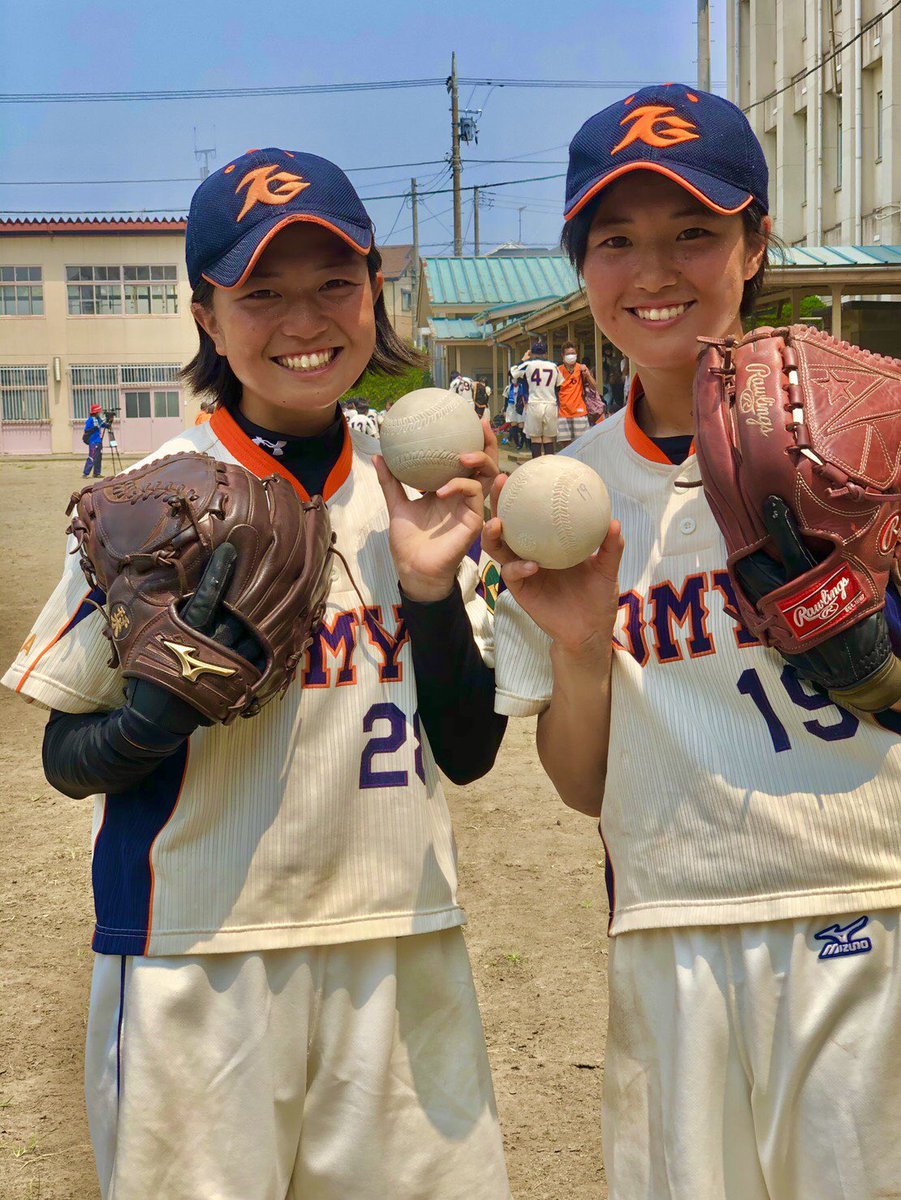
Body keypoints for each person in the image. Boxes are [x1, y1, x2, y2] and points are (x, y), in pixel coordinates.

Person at [3, 147, 511, 1200]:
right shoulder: (150, 505)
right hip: (196, 953)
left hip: (400, 943)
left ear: (376, 289)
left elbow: (466, 751)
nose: (303, 319)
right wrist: (151, 715)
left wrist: (425, 590)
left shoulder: (411, 488)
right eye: (261, 291)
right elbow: (64, 753)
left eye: (333, 282)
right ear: (205, 314)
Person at [486, 85, 901, 1199]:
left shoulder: (875, 435)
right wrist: (580, 649)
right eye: (614, 240)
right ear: (579, 264)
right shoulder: (558, 492)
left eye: (694, 234)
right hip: (670, 926)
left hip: (868, 902)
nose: (653, 273)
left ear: (755, 241)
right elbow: (580, 787)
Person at [510, 340, 562, 457]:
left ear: (532, 353)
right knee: (548, 438)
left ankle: (536, 465)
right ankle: (549, 465)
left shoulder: (528, 365)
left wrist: (523, 359)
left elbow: (512, 372)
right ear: (546, 354)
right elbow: (559, 386)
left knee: (535, 438)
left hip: (534, 403)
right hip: (550, 403)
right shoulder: (554, 366)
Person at [556, 341, 597, 447]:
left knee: (581, 444)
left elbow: (594, 386)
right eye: (568, 354)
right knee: (565, 444)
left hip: (580, 412)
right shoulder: (558, 370)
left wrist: (587, 375)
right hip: (563, 413)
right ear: (562, 355)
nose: (571, 356)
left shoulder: (582, 368)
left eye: (573, 353)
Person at [81, 403, 110, 477]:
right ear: (96, 412)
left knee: (98, 457)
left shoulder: (98, 419)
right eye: (99, 412)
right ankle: (86, 473)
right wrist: (96, 426)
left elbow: (104, 425)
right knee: (92, 457)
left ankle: (97, 473)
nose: (99, 413)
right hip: (93, 442)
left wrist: (109, 421)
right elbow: (87, 430)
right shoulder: (91, 420)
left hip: (98, 441)